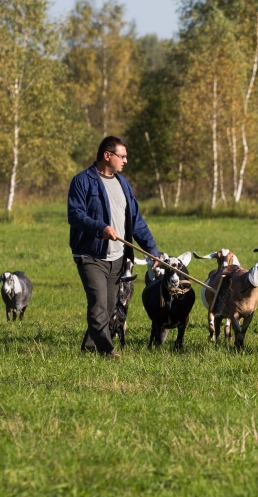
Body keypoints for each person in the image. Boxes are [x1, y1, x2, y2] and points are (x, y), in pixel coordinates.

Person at [67, 136, 160, 357]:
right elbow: (75, 215)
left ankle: (90, 348)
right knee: (98, 304)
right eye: (122, 156)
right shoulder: (82, 181)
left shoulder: (123, 183)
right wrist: (101, 228)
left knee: (108, 308)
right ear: (107, 155)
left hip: (117, 257)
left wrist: (151, 249)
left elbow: (135, 220)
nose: (125, 161)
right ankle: (106, 351)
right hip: (91, 255)